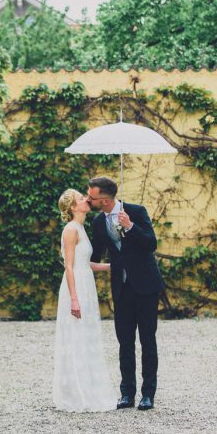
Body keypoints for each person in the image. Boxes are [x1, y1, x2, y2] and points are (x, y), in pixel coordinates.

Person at [86, 176, 164, 411]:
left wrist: (130, 226)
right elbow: (95, 255)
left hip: (146, 286)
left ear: (105, 200)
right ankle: (126, 393)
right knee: (124, 342)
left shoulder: (136, 212)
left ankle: (148, 394)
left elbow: (151, 244)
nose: (89, 200)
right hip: (121, 288)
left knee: (148, 340)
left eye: (92, 197)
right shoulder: (99, 223)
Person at [53, 189, 117, 412]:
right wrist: (74, 299)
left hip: (85, 283)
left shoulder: (81, 228)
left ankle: (88, 387)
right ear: (72, 207)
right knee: (76, 336)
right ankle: (76, 392)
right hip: (76, 287)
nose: (86, 200)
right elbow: (69, 266)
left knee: (87, 335)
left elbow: (85, 264)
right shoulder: (71, 229)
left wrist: (112, 267)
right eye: (81, 198)